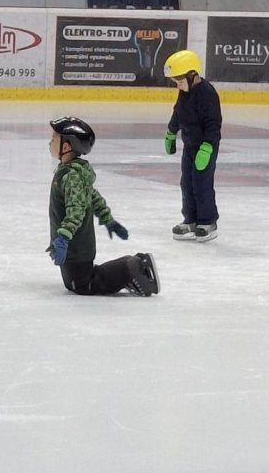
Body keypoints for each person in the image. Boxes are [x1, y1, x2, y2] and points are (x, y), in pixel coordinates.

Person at [46, 115, 159, 295]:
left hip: (76, 246)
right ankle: (130, 266)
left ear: (66, 147)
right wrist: (108, 219)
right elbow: (92, 196)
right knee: (74, 282)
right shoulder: (71, 172)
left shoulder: (71, 176)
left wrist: (63, 238)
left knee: (84, 285)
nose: (49, 143)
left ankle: (131, 269)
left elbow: (76, 210)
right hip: (75, 246)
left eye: (53, 139)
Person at [163, 49, 222, 241]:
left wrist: (207, 147)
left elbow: (213, 123)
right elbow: (178, 113)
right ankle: (190, 220)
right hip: (189, 146)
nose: (178, 86)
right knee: (187, 183)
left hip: (205, 147)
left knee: (202, 183)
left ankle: (207, 221)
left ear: (192, 75)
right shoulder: (184, 92)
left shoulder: (207, 94)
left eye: (179, 81)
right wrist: (171, 133)